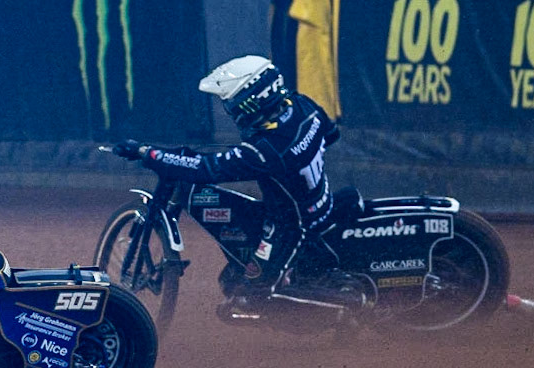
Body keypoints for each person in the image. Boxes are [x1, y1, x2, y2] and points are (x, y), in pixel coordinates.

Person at [114, 55, 360, 308]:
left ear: (255, 101)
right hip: (318, 205)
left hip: (292, 228)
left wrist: (148, 153)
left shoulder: (265, 149)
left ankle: (338, 305)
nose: (232, 111)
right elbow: (331, 135)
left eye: (233, 104)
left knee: (251, 298)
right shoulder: (302, 106)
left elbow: (206, 169)